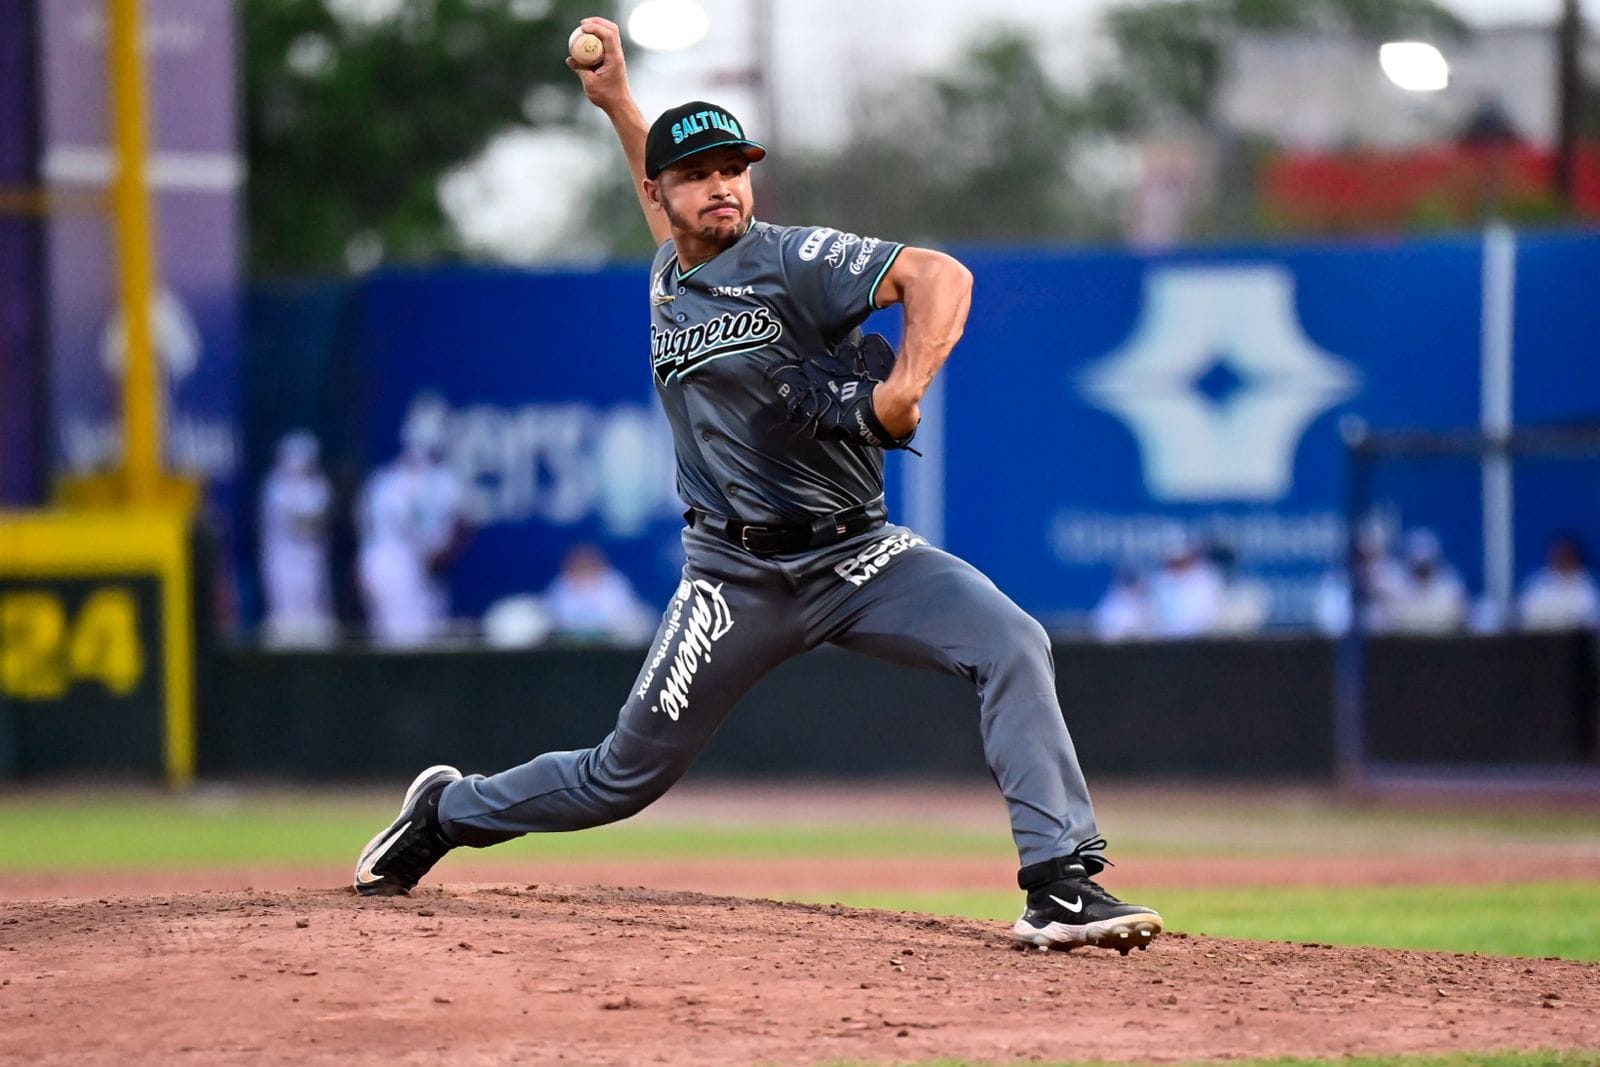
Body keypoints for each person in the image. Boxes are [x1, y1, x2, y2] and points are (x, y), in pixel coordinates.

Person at [353, 17, 1162, 955]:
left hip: (859, 555)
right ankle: (446, 811)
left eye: (734, 168)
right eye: (699, 175)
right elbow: (658, 188)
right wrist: (618, 102)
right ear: (661, 194)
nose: (723, 187)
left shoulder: (790, 258)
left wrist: (904, 388)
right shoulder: (670, 270)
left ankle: (1060, 882)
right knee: (621, 776)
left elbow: (938, 274)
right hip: (730, 577)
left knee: (1012, 639)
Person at [355, 398, 473, 647]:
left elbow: (465, 520)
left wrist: (444, 553)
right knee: (405, 639)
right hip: (398, 565)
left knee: (421, 634)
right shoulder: (391, 482)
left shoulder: (429, 480)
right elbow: (411, 529)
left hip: (415, 567)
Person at [259, 430, 337, 647]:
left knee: (313, 615)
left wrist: (312, 523)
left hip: (310, 560)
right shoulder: (274, 486)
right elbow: (300, 524)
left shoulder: (318, 485)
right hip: (282, 561)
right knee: (285, 617)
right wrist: (310, 522)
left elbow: (320, 520)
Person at [543, 543, 655, 644]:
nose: (584, 567)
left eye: (588, 564)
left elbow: (628, 617)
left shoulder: (615, 583)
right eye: (580, 564)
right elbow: (553, 620)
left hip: (616, 645)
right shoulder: (559, 585)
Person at [1385, 528, 1467, 634]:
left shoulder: (1451, 589)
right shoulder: (1393, 587)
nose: (1422, 572)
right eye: (1418, 567)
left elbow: (1455, 622)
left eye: (1425, 567)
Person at [1517, 534, 1600, 631]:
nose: (1563, 558)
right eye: (1559, 554)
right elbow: (1526, 612)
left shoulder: (1587, 584)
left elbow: (1590, 616)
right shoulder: (1537, 582)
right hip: (1539, 635)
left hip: (1576, 637)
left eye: (1567, 555)